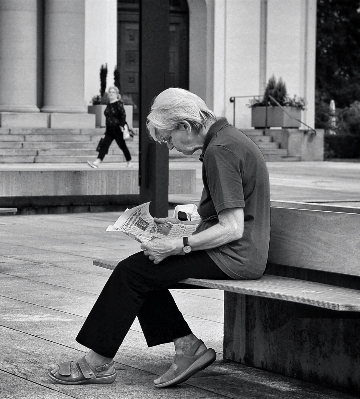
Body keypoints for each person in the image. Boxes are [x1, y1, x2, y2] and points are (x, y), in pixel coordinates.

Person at [49, 88, 270, 387]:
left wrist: (179, 245)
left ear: (185, 126)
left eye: (168, 139)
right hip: (238, 251)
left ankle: (99, 363)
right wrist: (166, 228)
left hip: (235, 256)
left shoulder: (220, 151)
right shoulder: (226, 140)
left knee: (132, 272)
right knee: (143, 271)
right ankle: (185, 346)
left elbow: (233, 227)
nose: (170, 146)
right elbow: (220, 216)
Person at [87, 86, 133, 168]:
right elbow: (108, 118)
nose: (111, 94)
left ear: (117, 94)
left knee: (122, 146)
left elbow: (123, 116)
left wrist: (122, 126)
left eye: (113, 92)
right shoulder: (108, 104)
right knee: (104, 145)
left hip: (117, 129)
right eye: (110, 92)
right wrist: (105, 132)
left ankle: (129, 162)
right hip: (109, 130)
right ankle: (97, 163)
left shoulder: (118, 104)